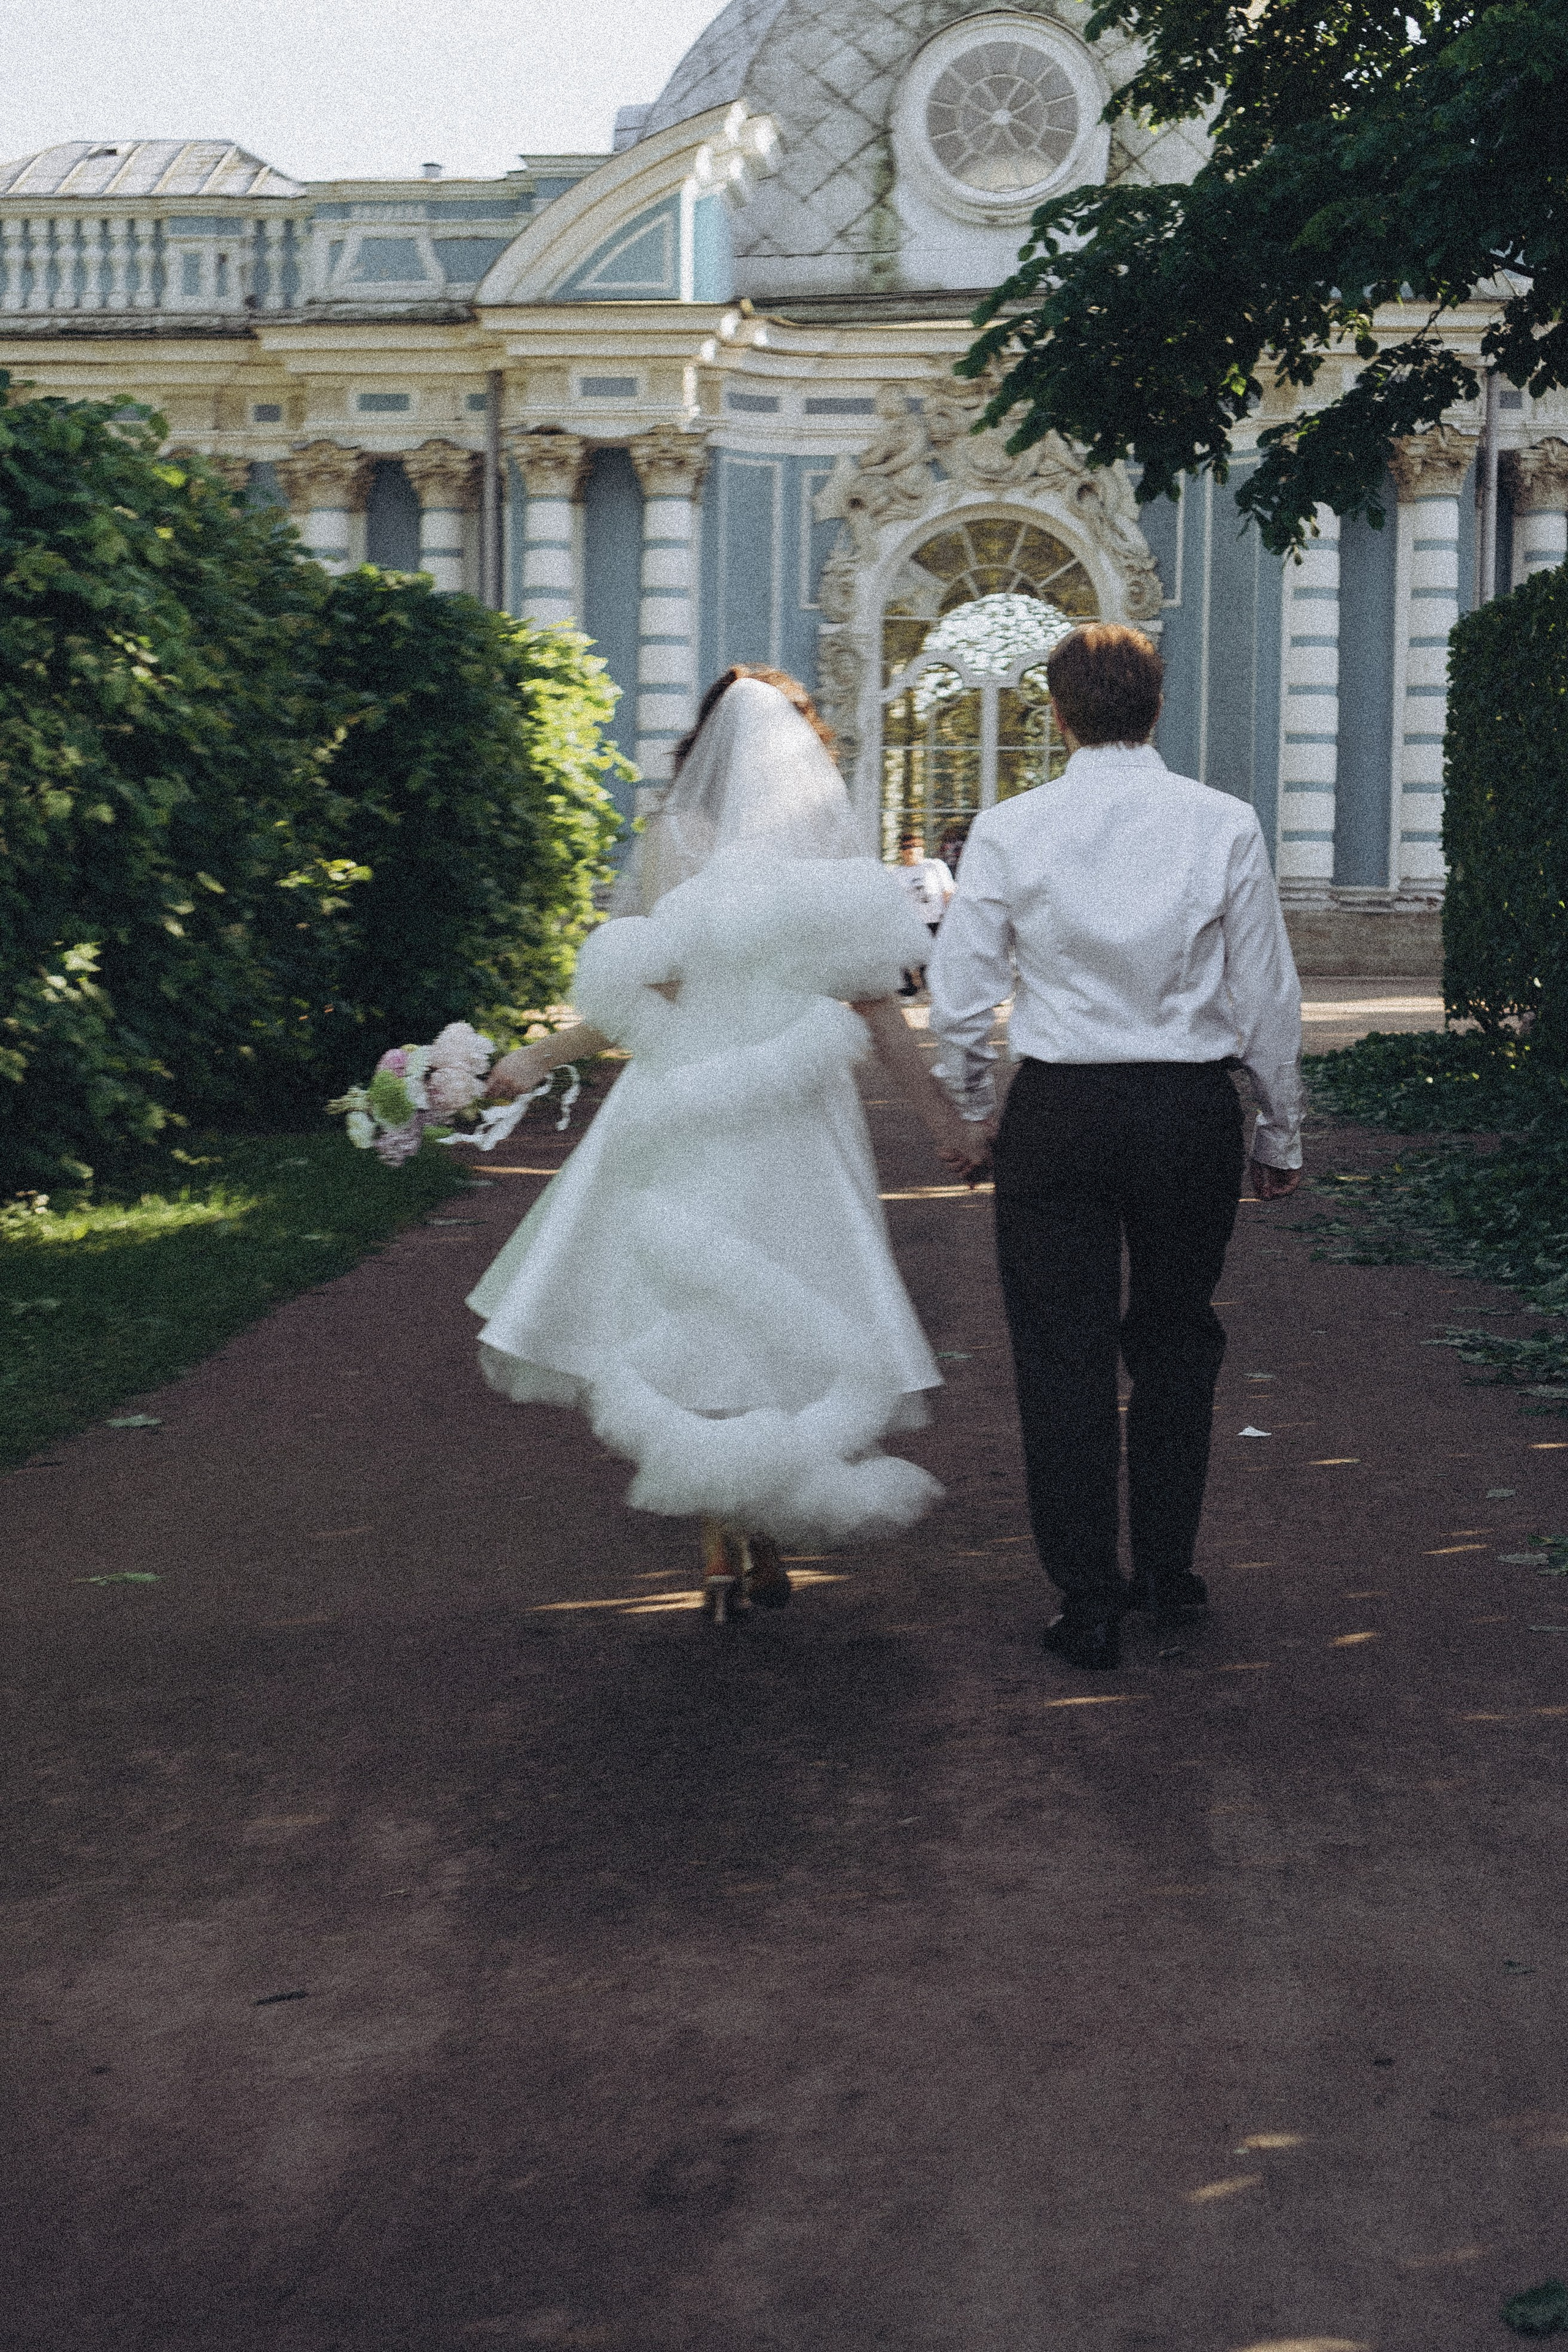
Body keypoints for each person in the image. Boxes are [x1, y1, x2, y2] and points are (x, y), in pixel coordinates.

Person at [469, 666, 986, 1623]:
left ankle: (721, 1539)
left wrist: (540, 1054)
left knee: (701, 1308)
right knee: (788, 1302)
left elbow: (642, 985)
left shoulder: (680, 842)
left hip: (690, 1100)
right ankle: (756, 1523)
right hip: (796, 1108)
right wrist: (946, 1126)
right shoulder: (829, 864)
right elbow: (878, 1009)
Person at [927, 622, 1303, 1673]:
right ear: (1156, 708)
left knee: (1062, 1352)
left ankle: (1089, 1600)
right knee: (1179, 1339)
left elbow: (961, 1001)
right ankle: (1171, 1575)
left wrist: (972, 1113)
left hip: (1060, 1115)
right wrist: (1278, 1127)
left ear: (1056, 714)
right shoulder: (1224, 823)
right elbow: (1264, 992)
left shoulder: (1009, 829)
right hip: (1188, 1113)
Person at [894, 831, 955, 998]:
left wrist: (951, 916)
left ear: (921, 848)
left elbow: (948, 891)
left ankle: (936, 992)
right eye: (905, 847)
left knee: (936, 959)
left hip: (937, 919)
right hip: (914, 922)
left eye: (913, 846)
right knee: (909, 958)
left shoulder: (935, 866)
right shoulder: (897, 874)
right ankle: (909, 992)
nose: (910, 850)